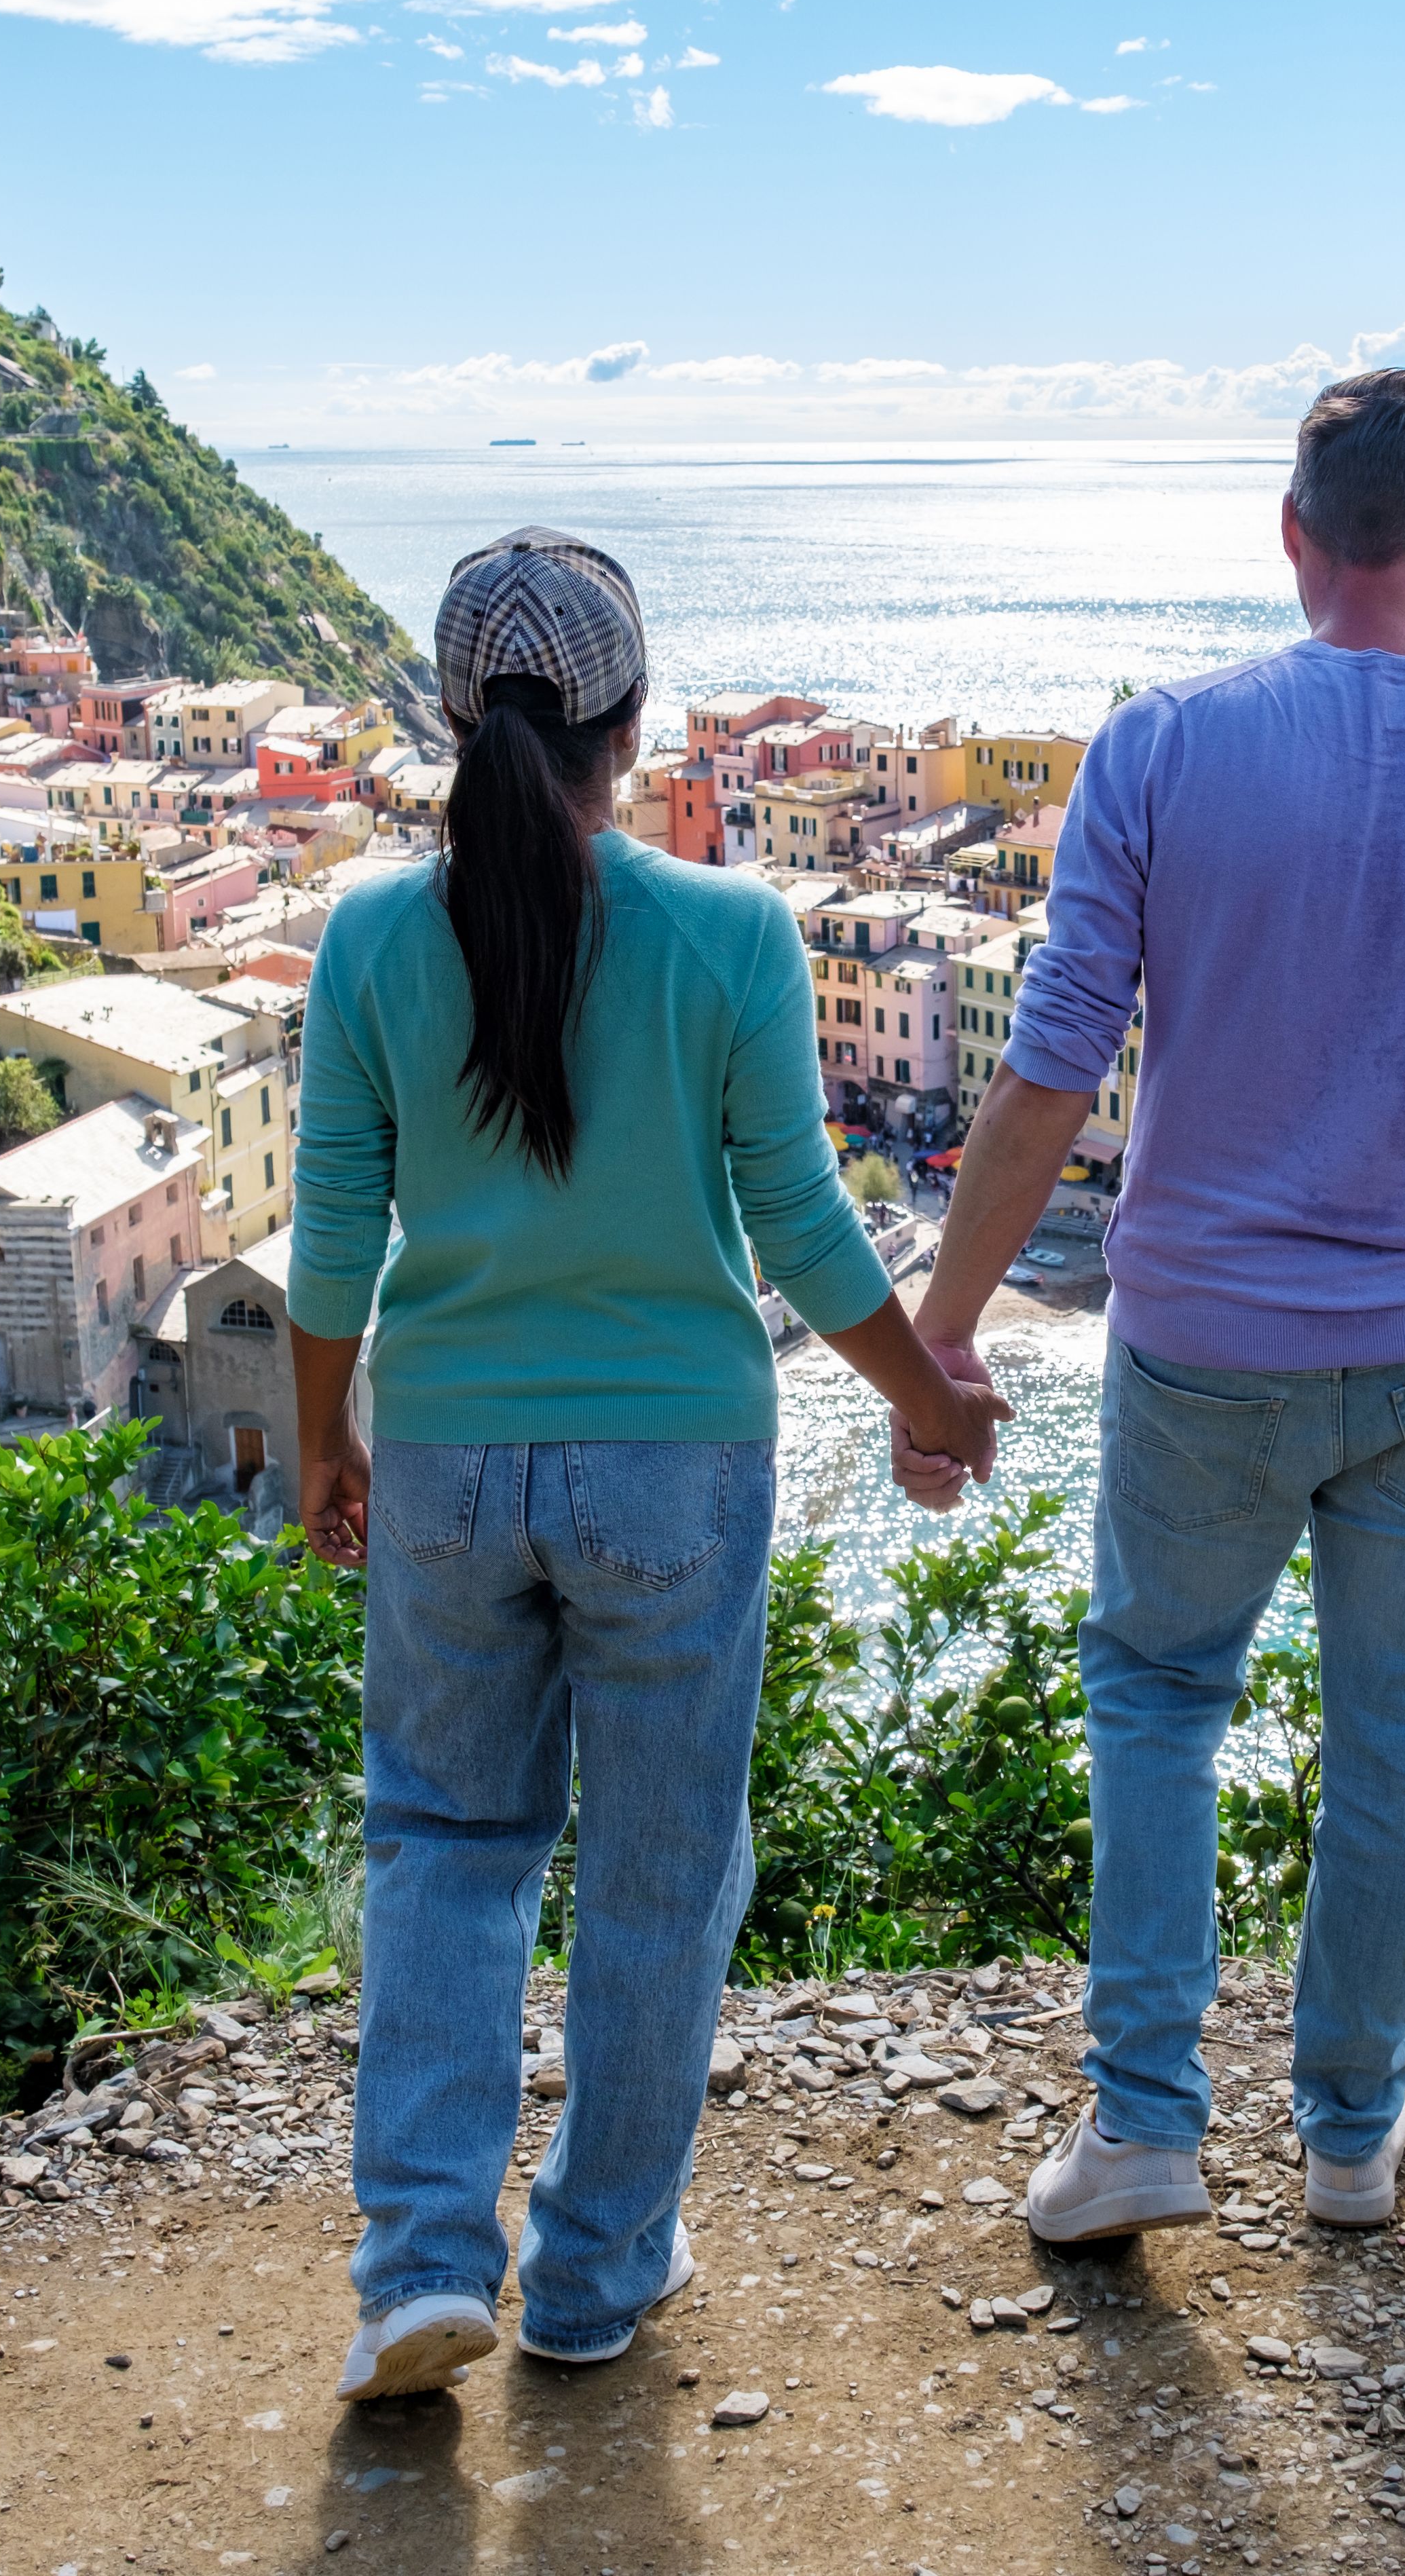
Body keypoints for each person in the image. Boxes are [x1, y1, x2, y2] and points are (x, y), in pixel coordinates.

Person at [899, 371, 1405, 2243]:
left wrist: (942, 1334)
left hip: (1203, 1343)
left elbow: (1048, 1073)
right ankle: (1351, 2139)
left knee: (1161, 1700)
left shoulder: (1168, 744)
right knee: (1399, 1734)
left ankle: (1148, 2124)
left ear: (1291, 530)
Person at [288, 529, 1011, 2400]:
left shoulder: (367, 936)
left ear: (457, 718)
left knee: (444, 1845)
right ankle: (598, 2271)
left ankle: (420, 2264)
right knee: (662, 1870)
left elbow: (329, 1243)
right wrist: (925, 1399)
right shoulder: (734, 933)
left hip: (444, 1457)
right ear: (630, 724)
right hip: (675, 1464)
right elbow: (803, 1228)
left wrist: (321, 1449)